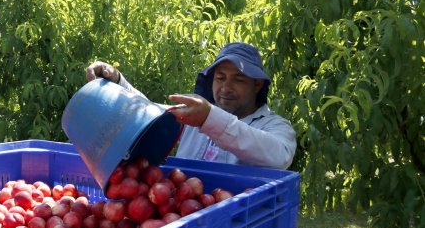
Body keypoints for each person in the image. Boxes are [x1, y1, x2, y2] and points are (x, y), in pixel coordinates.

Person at [86, 42, 297, 169]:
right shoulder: (197, 114)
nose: (226, 87)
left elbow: (279, 156)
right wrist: (117, 83)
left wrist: (210, 119)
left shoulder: (275, 127)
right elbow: (148, 110)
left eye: (238, 80)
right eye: (220, 78)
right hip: (184, 219)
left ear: (257, 84)